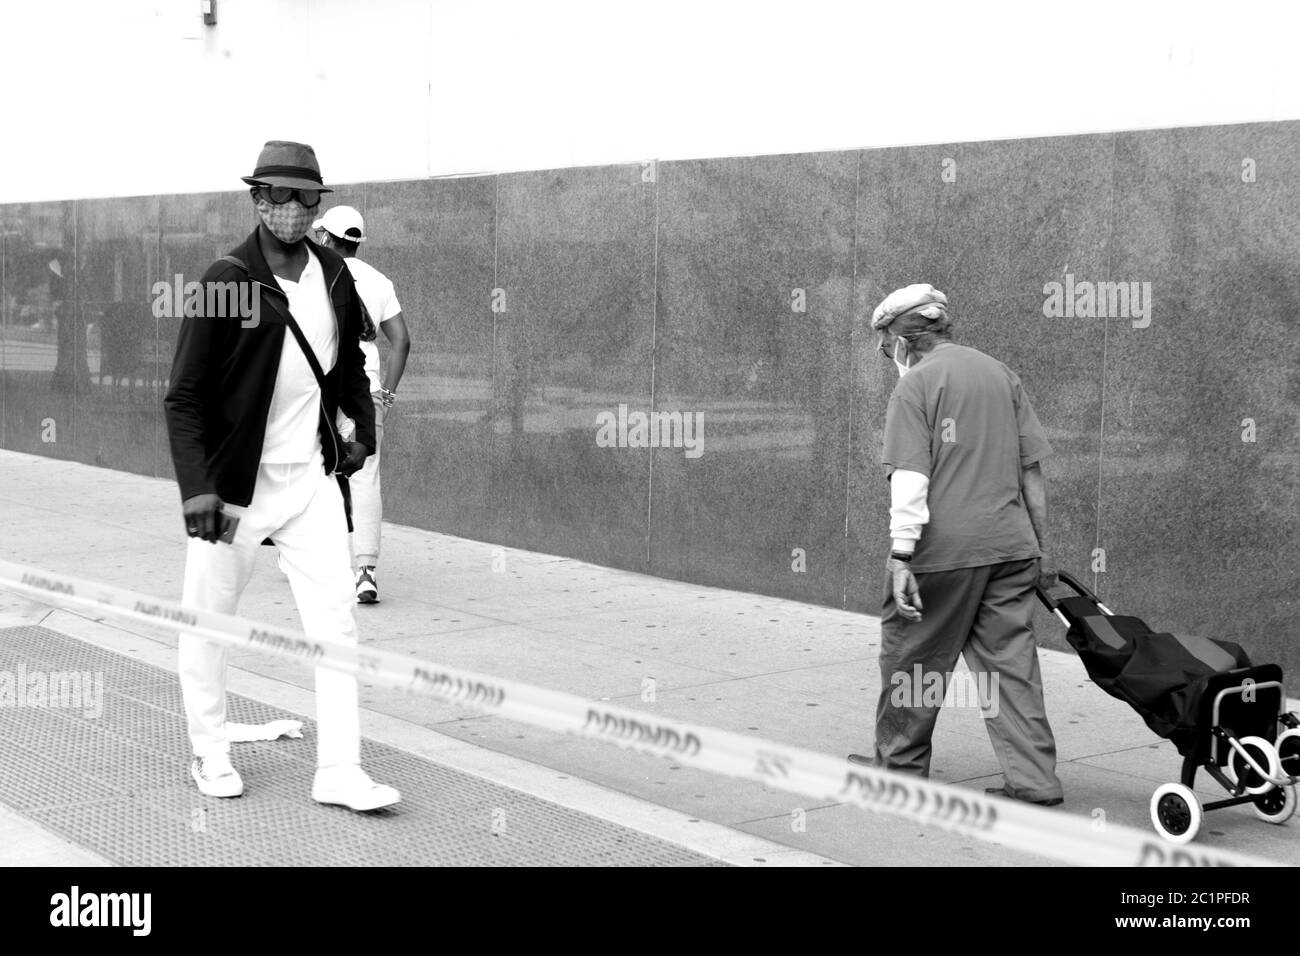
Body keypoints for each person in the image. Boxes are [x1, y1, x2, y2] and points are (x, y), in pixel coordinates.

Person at [163, 140, 400, 811]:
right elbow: (184, 394)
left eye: (303, 198)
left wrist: (361, 433)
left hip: (311, 483)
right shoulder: (227, 279)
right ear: (257, 199)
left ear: (316, 205)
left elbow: (350, 367)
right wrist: (198, 486)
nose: (290, 209)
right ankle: (209, 755)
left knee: (337, 627)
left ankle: (340, 772)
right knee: (209, 624)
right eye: (277, 195)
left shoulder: (334, 274)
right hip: (233, 489)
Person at [850, 283, 1064, 807]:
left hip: (941, 554)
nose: (887, 354)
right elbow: (1031, 470)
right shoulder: (999, 373)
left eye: (886, 343)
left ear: (904, 338)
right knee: (1010, 664)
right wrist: (1043, 548)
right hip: (1011, 548)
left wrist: (902, 555)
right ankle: (1034, 780)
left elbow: (910, 476)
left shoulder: (916, 386)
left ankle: (899, 770)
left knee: (914, 660)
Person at [311, 205, 411, 604]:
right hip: (364, 390)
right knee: (365, 476)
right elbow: (401, 340)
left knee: (312, 470)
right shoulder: (378, 281)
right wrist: (386, 394)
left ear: (326, 238)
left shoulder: (315, 275)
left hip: (318, 389)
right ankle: (365, 572)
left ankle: (299, 554)